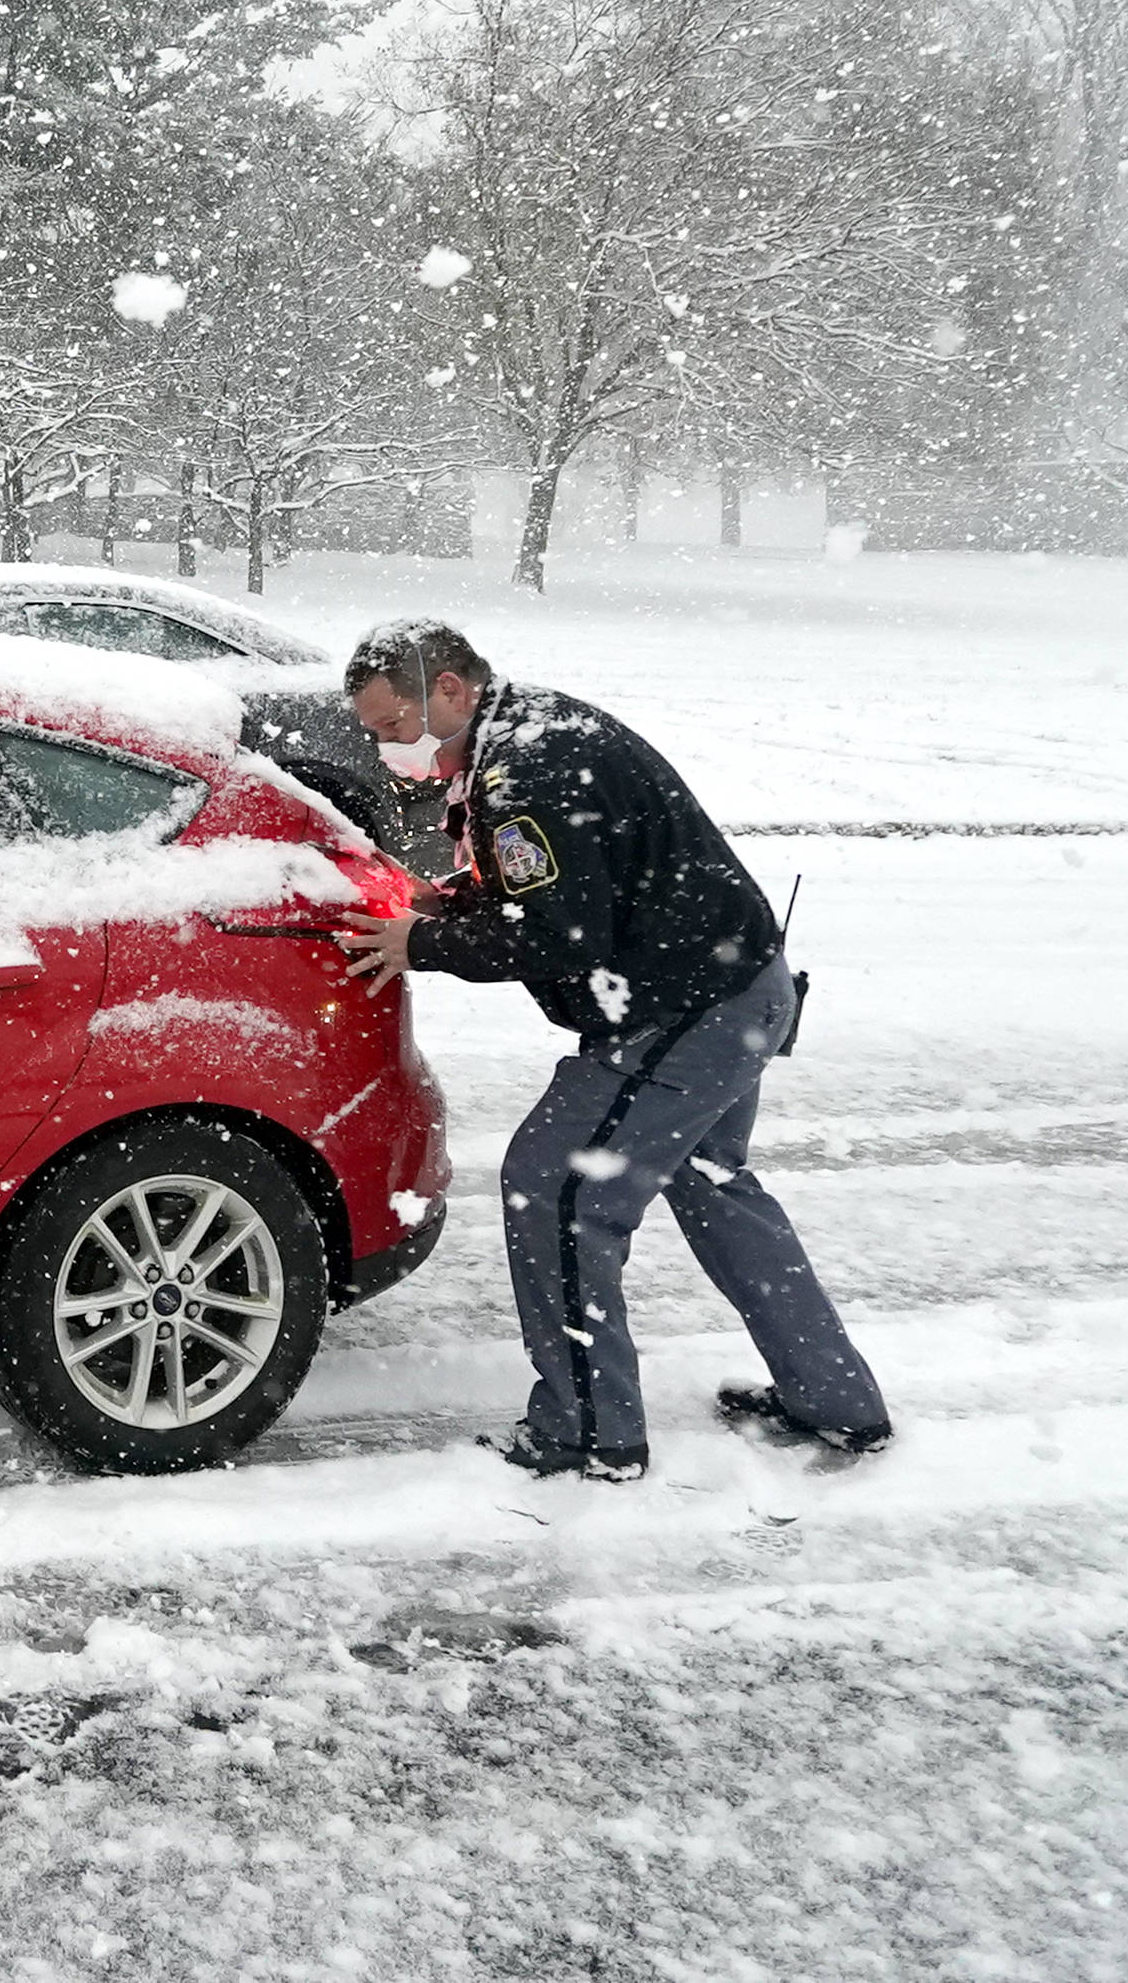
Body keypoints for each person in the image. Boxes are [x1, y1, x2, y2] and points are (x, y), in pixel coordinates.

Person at [326, 616, 891, 1480]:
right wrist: (448, 904)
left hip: (683, 1010)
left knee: (552, 1189)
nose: (384, 747)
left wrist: (422, 944)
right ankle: (834, 1400)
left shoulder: (524, 770)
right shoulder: (525, 731)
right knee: (712, 1186)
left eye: (390, 725)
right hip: (735, 986)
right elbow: (558, 887)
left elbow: (560, 933)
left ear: (447, 689)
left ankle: (589, 1433)